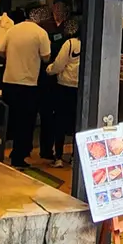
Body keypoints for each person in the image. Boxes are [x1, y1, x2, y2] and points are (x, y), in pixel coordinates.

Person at [0, 7, 51, 168]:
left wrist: (12, 57)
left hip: (9, 80)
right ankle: (18, 156)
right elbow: (46, 57)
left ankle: (3, 151)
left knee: (10, 120)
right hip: (28, 84)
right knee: (25, 122)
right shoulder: (41, 33)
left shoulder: (13, 30)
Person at [45, 18, 82, 167]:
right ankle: (75, 157)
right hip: (81, 89)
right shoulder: (92, 43)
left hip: (64, 86)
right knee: (77, 123)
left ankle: (58, 156)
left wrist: (49, 70)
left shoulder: (70, 43)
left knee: (59, 121)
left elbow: (59, 64)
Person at [38, 0, 70, 163]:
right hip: (47, 75)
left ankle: (58, 150)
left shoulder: (70, 27)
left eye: (62, 8)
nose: (59, 11)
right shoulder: (45, 26)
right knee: (46, 114)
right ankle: (45, 149)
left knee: (60, 116)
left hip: (64, 77)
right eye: (56, 8)